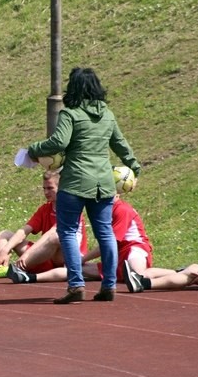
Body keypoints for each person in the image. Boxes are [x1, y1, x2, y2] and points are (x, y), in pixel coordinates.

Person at [27, 67, 141, 303]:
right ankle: (109, 285)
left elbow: (59, 141)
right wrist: (134, 168)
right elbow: (120, 144)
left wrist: (34, 150)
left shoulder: (70, 113)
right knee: (105, 232)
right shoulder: (107, 114)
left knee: (67, 231)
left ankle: (76, 285)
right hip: (103, 183)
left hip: (76, 181)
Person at [8, 193, 152, 285]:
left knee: (136, 274)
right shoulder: (103, 211)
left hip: (134, 248)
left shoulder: (122, 210)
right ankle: (28, 276)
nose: (99, 198)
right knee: (78, 269)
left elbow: (108, 244)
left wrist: (82, 259)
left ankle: (170, 276)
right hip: (118, 254)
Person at [0, 170, 87, 281]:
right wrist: (5, 250)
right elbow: (24, 231)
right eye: (44, 188)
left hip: (66, 259)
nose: (46, 192)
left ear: (61, 188)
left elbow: (50, 235)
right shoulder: (45, 209)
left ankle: (19, 269)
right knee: (5, 234)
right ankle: (1, 266)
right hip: (46, 256)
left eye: (50, 188)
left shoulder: (70, 209)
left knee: (55, 236)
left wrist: (27, 255)